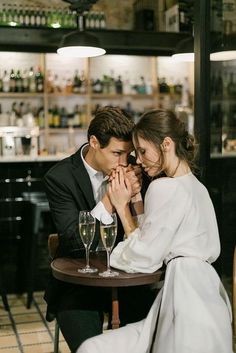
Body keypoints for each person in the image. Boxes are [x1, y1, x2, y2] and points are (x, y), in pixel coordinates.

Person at [77, 109, 233, 353]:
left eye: (142, 151)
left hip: (185, 299)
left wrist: (121, 208)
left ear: (166, 144)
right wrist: (137, 200)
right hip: (211, 299)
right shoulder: (198, 188)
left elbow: (144, 258)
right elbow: (155, 236)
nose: (137, 160)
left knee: (92, 348)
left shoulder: (163, 187)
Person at [43, 106, 156, 352]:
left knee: (152, 335)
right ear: (94, 142)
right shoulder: (60, 177)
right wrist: (109, 200)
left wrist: (136, 198)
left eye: (128, 154)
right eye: (117, 153)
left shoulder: (138, 170)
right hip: (79, 285)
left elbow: (149, 230)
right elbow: (73, 241)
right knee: (89, 346)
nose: (124, 162)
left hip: (130, 280)